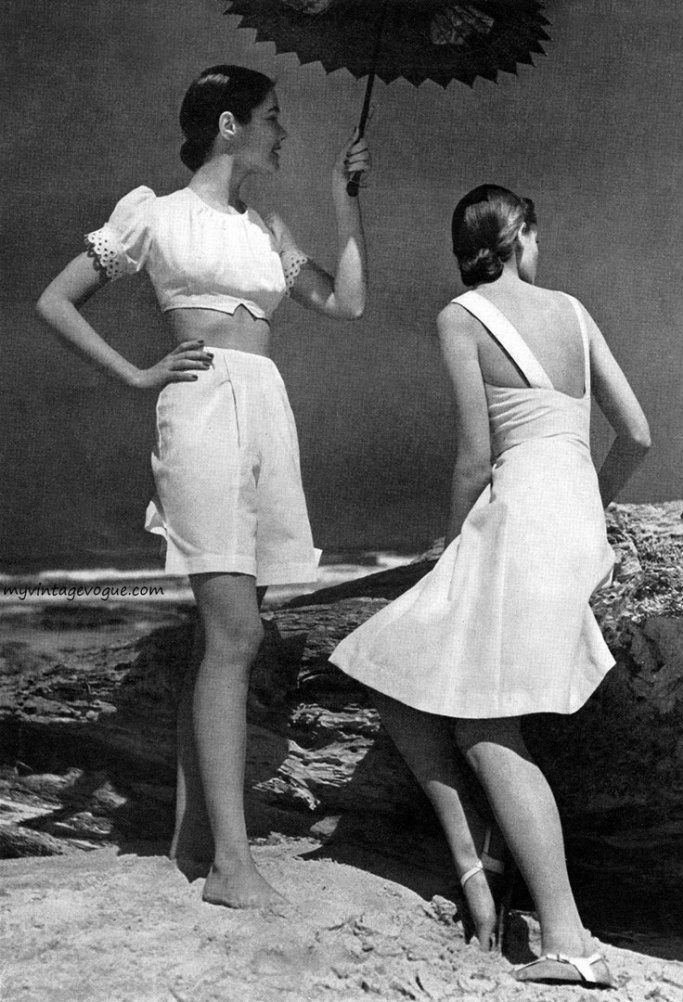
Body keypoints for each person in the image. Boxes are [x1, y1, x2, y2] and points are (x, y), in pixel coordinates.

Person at [37, 64, 369, 909]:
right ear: (229, 124)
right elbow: (56, 301)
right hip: (201, 407)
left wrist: (344, 206)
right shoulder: (154, 214)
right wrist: (135, 374)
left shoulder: (266, 226)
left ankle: (194, 839)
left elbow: (347, 304)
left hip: (265, 408)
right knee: (236, 632)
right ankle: (230, 864)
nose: (282, 132)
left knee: (217, 638)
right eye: (272, 117)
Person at [331, 185, 650, 986]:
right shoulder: (571, 311)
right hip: (570, 521)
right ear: (520, 236)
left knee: (479, 725)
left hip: (516, 520)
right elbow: (637, 435)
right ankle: (478, 853)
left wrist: (450, 544)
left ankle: (565, 938)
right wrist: (588, 508)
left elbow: (475, 457)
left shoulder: (461, 317)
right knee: (385, 662)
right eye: (535, 235)